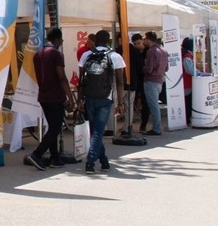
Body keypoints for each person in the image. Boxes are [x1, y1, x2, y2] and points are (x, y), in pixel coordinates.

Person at [26, 27, 76, 170]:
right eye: (61, 40)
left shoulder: (38, 54)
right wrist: (71, 98)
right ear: (58, 39)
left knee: (52, 127)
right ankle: (37, 154)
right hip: (55, 96)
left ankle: (55, 158)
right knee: (55, 128)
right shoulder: (56, 54)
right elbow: (62, 77)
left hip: (43, 96)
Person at [79, 30, 126, 173]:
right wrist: (120, 103)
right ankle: (90, 162)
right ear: (108, 41)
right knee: (98, 131)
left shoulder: (86, 55)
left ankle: (104, 161)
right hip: (106, 98)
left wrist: (80, 100)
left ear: (95, 40)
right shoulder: (115, 56)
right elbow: (119, 82)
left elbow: (81, 80)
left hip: (89, 97)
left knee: (95, 131)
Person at [141, 31, 167, 136]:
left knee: (153, 106)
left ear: (148, 39)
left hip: (151, 80)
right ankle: (156, 127)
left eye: (144, 38)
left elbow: (149, 69)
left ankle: (156, 128)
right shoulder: (163, 50)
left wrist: (141, 68)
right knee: (154, 105)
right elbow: (167, 67)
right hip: (160, 80)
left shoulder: (151, 51)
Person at [125, 33, 147, 135]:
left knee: (145, 102)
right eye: (135, 44)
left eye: (139, 43)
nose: (138, 45)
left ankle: (143, 124)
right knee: (133, 102)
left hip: (144, 80)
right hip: (137, 81)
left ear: (142, 41)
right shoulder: (135, 52)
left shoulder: (147, 51)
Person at [181, 37, 195, 126]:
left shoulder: (184, 55)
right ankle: (186, 119)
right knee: (187, 102)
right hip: (187, 83)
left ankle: (186, 119)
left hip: (185, 82)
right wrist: (198, 72)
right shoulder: (187, 56)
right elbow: (189, 70)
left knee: (187, 102)